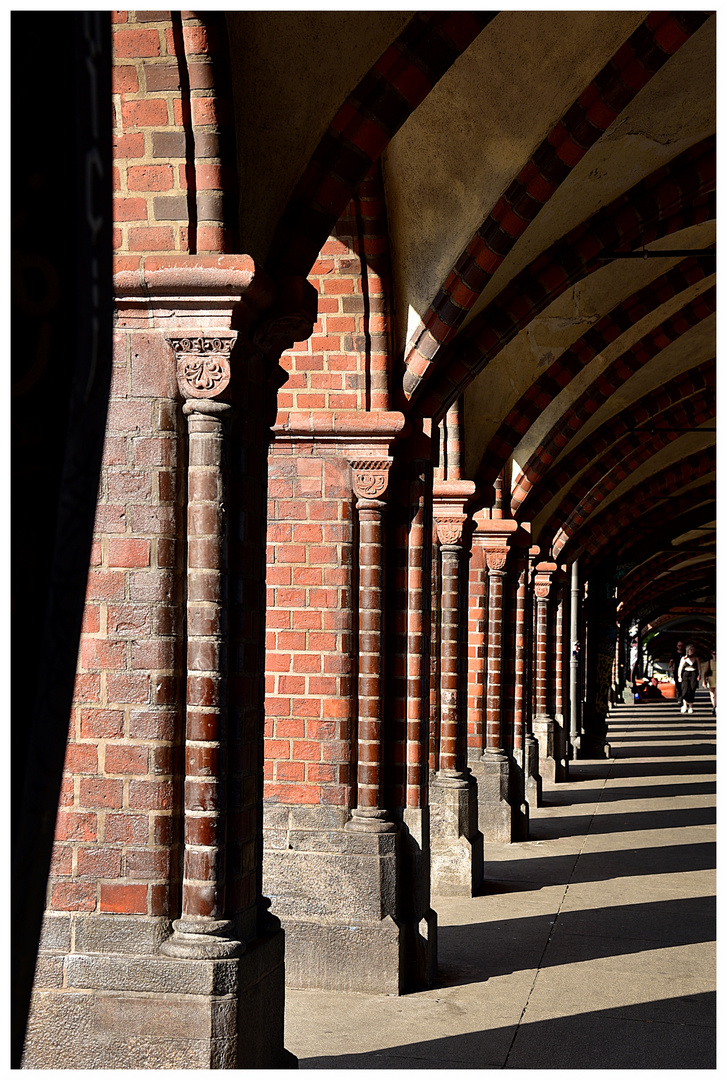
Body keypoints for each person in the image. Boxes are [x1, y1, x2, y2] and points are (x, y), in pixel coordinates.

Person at [678, 644, 701, 715]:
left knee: (692, 689)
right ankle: (684, 705)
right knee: (685, 689)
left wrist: (699, 675)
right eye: (690, 649)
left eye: (693, 649)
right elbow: (680, 668)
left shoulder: (696, 658)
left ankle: (690, 706)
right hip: (686, 674)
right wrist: (679, 676)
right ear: (687, 650)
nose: (692, 651)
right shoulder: (683, 658)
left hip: (693, 674)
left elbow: (699, 668)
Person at [670, 639, 686, 705]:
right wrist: (671, 667)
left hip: (685, 671)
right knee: (678, 685)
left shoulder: (686, 653)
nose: (680, 647)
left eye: (682, 646)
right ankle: (679, 698)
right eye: (679, 646)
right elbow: (671, 661)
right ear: (677, 646)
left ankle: (684, 697)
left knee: (685, 685)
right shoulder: (674, 653)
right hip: (676, 671)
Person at [703, 649, 716, 716]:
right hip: (711, 678)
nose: (715, 655)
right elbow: (705, 672)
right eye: (714, 654)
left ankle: (715, 706)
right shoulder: (709, 662)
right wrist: (704, 681)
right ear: (711, 654)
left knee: (717, 694)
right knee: (712, 694)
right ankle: (714, 705)